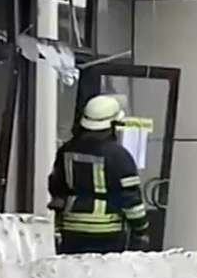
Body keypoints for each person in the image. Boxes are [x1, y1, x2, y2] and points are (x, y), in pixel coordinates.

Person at [48, 94, 150, 253]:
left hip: (70, 228)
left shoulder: (66, 150)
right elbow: (130, 198)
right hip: (106, 231)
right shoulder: (118, 155)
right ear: (113, 124)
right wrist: (141, 229)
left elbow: (56, 187)